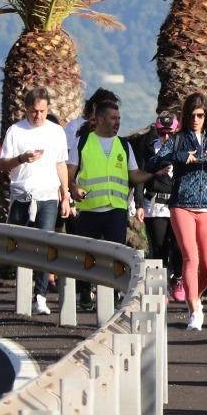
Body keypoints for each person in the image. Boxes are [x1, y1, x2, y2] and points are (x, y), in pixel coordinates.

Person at [152, 93, 207, 330]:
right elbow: (153, 163)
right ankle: (192, 310)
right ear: (186, 116)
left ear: (206, 116)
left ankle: (194, 297)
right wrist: (180, 157)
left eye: (200, 115)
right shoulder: (177, 140)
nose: (196, 119)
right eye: (192, 115)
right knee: (190, 258)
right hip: (182, 205)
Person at [0, 86, 71, 315]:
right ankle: (23, 293)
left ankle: (41, 296)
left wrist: (65, 195)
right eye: (34, 111)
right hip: (22, 195)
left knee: (44, 245)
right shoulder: (16, 132)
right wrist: (21, 158)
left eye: (43, 111)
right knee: (19, 245)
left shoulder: (56, 131)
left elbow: (60, 164)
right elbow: (2, 164)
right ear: (26, 109)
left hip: (48, 196)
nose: (38, 115)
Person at [67, 98, 149, 309]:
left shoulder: (124, 145)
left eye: (119, 118)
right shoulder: (83, 142)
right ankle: (85, 291)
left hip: (116, 209)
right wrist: (74, 188)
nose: (117, 122)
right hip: (90, 209)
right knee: (88, 257)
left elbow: (135, 175)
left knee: (116, 256)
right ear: (100, 119)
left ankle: (112, 295)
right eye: (113, 118)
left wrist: (153, 173)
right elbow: (70, 174)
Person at [133, 112, 185, 302]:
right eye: (162, 133)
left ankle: (178, 279)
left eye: (170, 133)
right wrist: (139, 204)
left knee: (179, 246)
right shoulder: (147, 149)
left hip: (178, 203)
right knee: (159, 247)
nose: (166, 138)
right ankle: (158, 287)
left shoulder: (184, 149)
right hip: (155, 204)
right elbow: (139, 177)